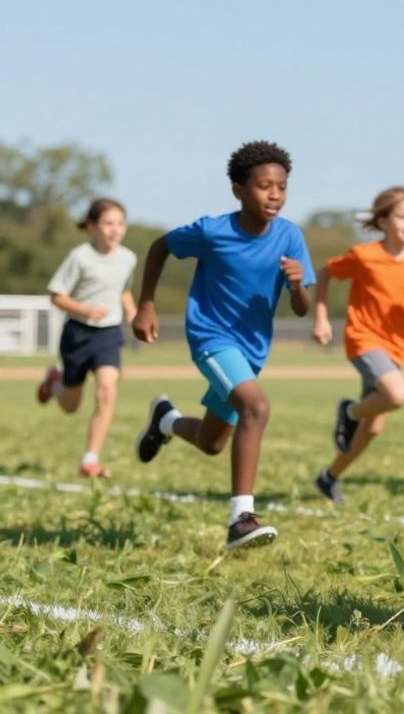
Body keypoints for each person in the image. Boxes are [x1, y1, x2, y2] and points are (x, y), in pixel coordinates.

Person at [131, 140, 315, 550]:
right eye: (264, 186)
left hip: (251, 351)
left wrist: (299, 284)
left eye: (282, 187)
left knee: (214, 443)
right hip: (212, 339)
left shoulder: (289, 236)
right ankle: (241, 519)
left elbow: (302, 309)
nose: (275, 195)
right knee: (256, 406)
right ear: (238, 189)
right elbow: (161, 246)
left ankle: (165, 420)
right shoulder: (213, 231)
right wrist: (146, 304)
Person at [313, 186, 404, 503]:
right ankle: (350, 411)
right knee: (398, 395)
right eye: (402, 216)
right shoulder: (365, 256)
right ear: (383, 221)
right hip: (363, 339)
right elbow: (325, 273)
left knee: (371, 429)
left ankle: (328, 477)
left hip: (396, 348)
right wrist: (320, 316)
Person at [36, 198, 138, 478]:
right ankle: (55, 382)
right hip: (78, 333)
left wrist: (133, 314)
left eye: (120, 223)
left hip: (109, 333)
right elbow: (57, 295)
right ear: (92, 227)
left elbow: (124, 290)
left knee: (107, 389)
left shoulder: (128, 258)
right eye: (108, 223)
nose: (115, 229)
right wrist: (85, 309)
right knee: (70, 406)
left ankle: (90, 460)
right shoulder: (79, 257)